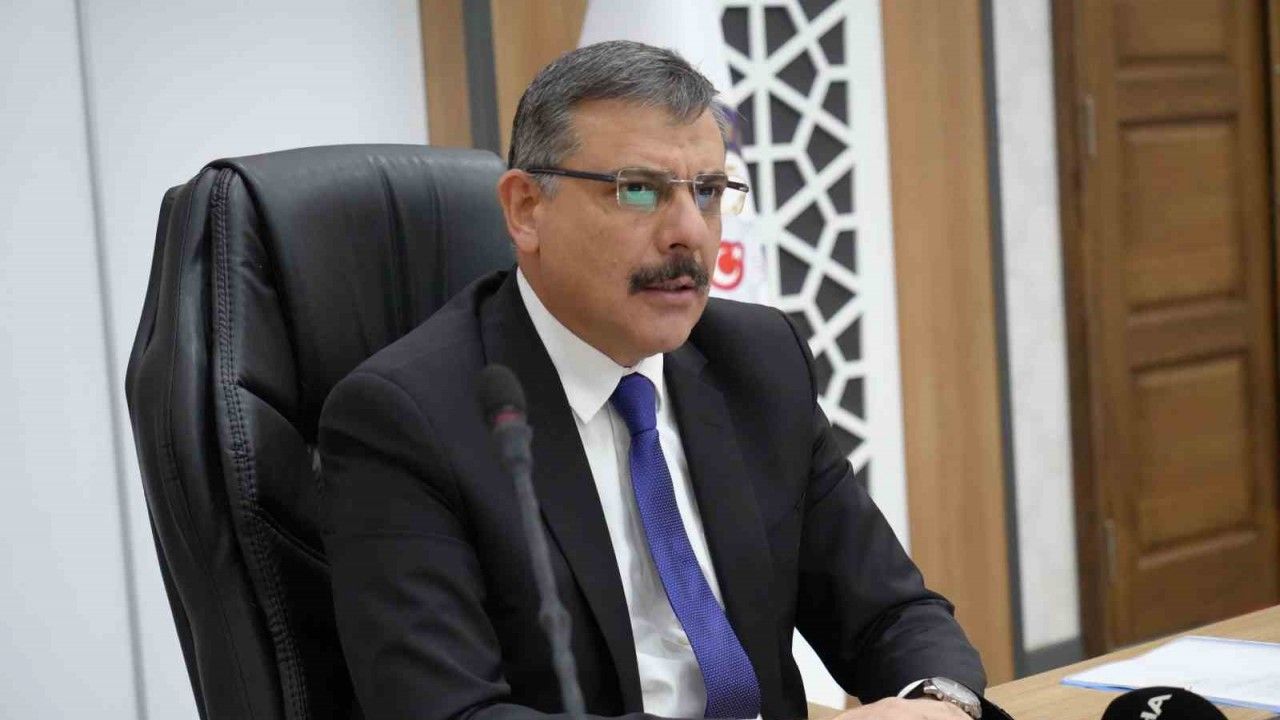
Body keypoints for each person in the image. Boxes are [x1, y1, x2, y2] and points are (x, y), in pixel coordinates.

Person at [321, 40, 990, 720]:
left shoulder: (758, 361)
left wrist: (940, 702)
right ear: (525, 209)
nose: (688, 233)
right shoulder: (407, 420)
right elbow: (452, 712)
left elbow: (890, 612)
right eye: (638, 190)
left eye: (708, 192)